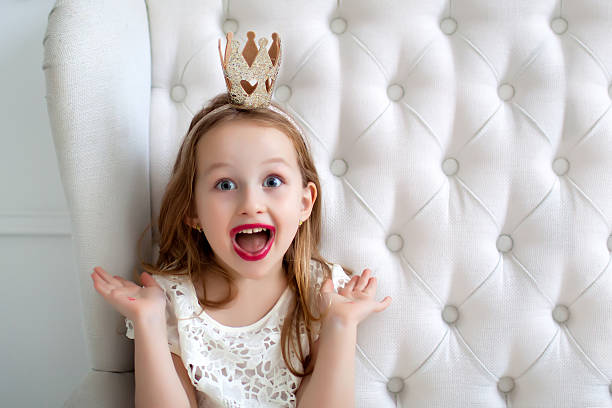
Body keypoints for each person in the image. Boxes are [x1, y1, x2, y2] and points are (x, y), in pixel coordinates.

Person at [90, 30, 392, 408]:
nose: (251, 203)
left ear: (304, 202)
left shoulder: (321, 296)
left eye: (272, 181)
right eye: (225, 184)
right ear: (193, 211)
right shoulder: (172, 303)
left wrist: (341, 326)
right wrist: (150, 324)